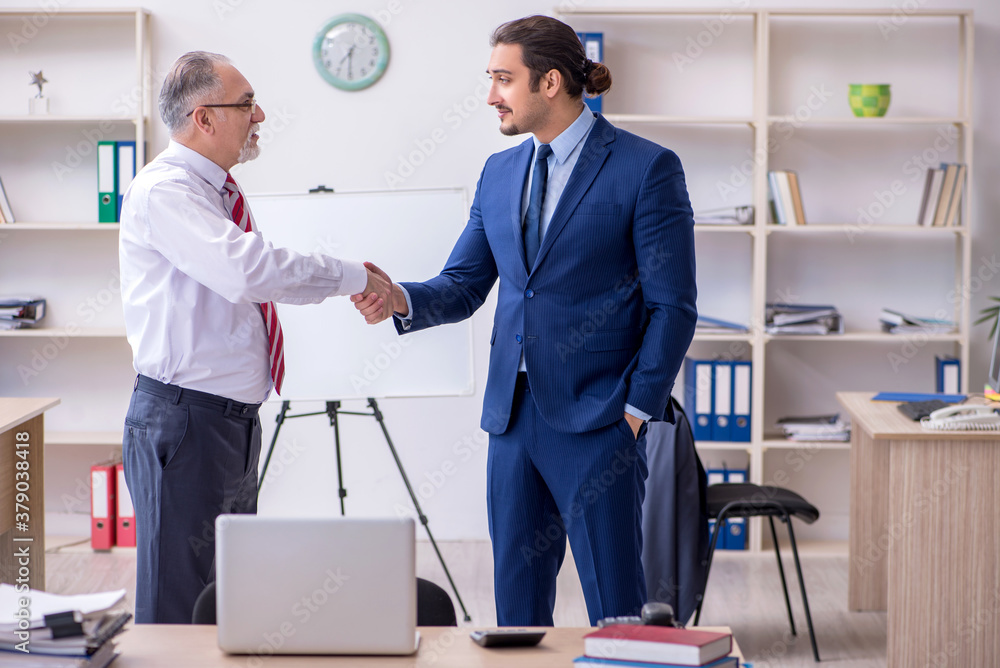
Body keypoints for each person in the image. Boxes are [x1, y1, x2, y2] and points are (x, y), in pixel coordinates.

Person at [352, 16, 697, 626]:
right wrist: (399, 297)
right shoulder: (499, 172)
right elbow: (464, 284)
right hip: (512, 420)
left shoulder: (646, 169)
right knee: (516, 610)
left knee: (615, 609)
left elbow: (674, 307)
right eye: (491, 79)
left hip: (600, 422)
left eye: (503, 79)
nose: (491, 96)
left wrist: (636, 413)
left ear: (551, 82)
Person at [119, 51, 391, 624]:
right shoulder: (166, 191)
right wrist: (354, 277)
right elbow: (249, 271)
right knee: (178, 604)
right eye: (246, 104)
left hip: (231, 423)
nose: (260, 114)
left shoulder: (217, 192)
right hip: (186, 422)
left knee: (225, 596)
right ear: (204, 117)